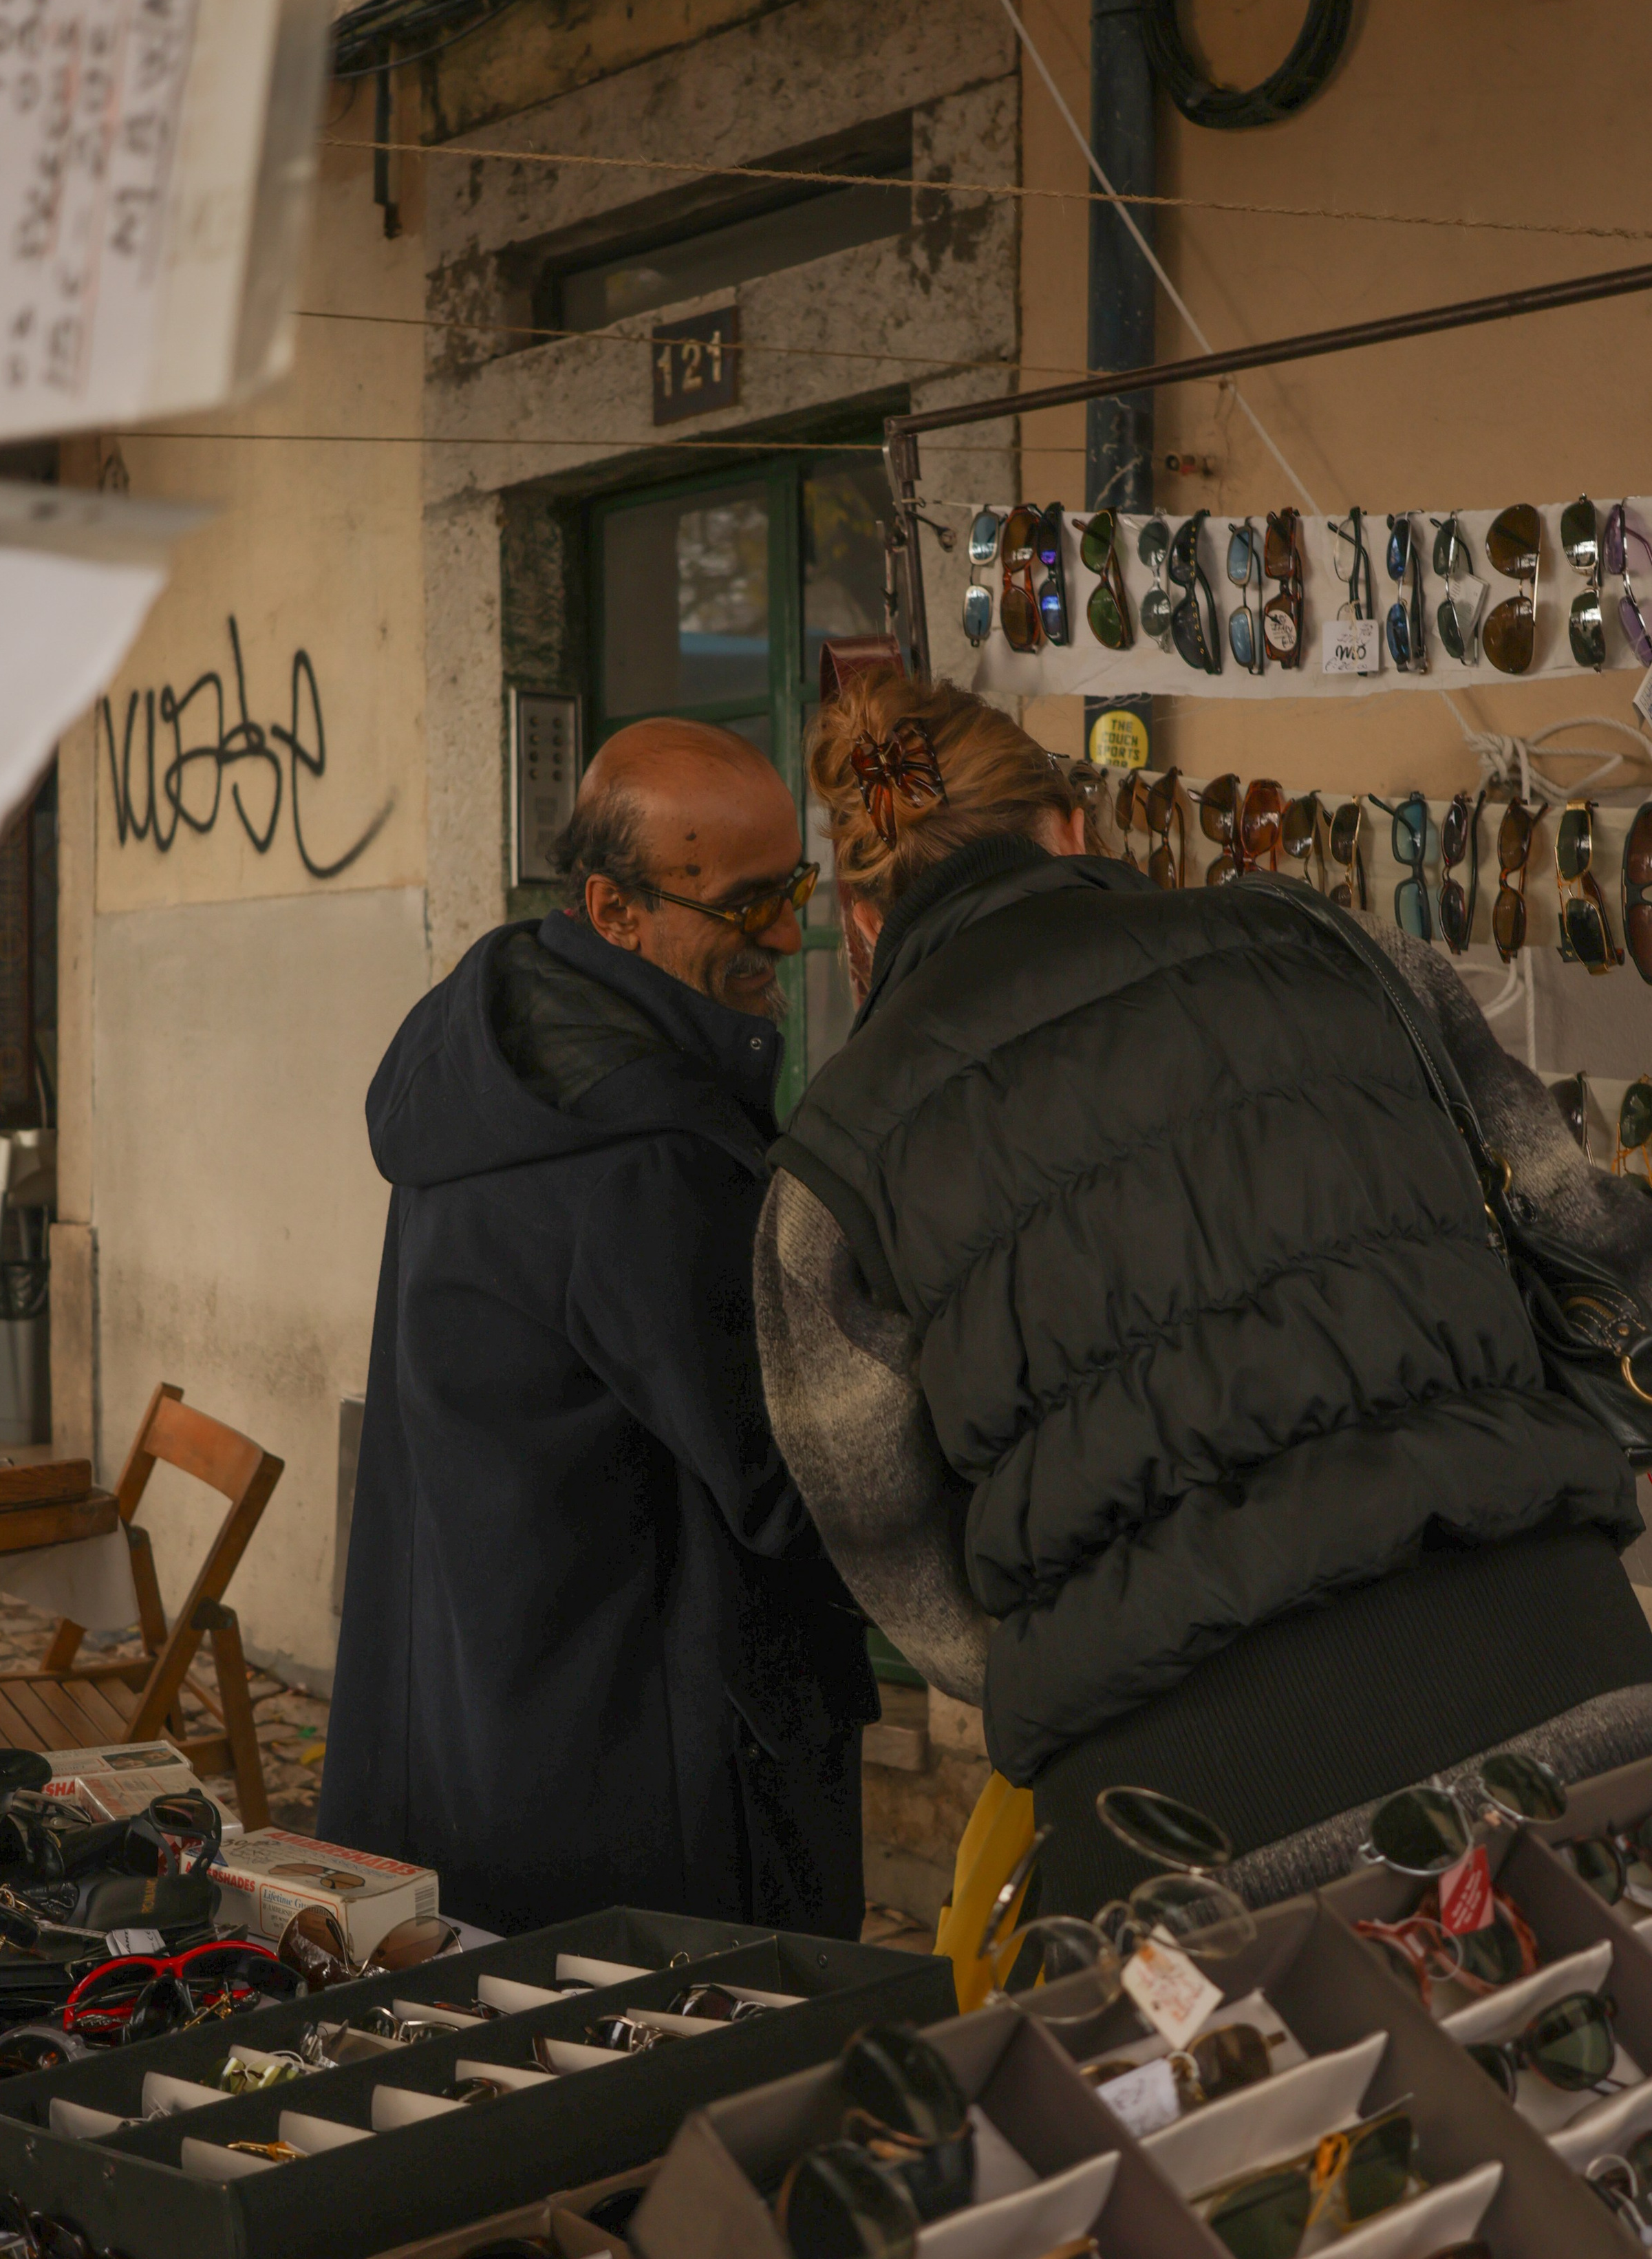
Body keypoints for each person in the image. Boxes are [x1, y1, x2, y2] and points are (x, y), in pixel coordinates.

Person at [754, 668, 1652, 1914]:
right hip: (1558, 1675)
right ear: (1071, 825)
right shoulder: (1341, 950)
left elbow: (896, 1555)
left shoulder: (831, 1168)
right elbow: (1586, 1239)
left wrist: (1086, 1634)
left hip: (1192, 1806)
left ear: (861, 918)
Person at [319, 718, 875, 1936]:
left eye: (795, 891)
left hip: (483, 1742)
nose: (787, 938)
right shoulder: (635, 1154)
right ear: (614, 910)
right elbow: (784, 1476)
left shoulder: (493, 1055)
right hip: (651, 1793)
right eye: (747, 906)